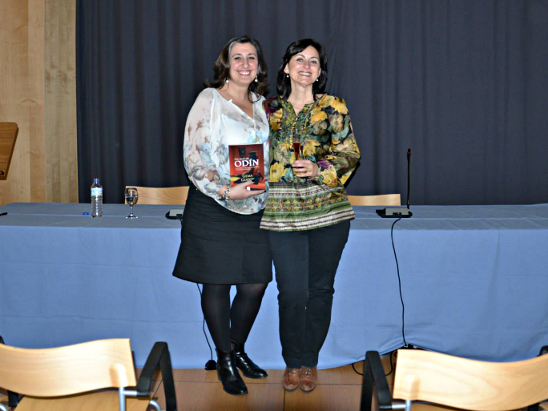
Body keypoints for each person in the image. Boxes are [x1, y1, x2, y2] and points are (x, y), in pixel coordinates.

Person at [260, 39, 361, 393]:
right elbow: (249, 153)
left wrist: (320, 168)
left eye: (313, 61)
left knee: (320, 290)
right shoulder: (266, 109)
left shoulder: (333, 106)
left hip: (328, 213)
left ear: (319, 72)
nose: (306, 66)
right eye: (299, 59)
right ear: (286, 68)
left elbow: (350, 154)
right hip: (280, 214)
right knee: (291, 293)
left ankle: (309, 363)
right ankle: (291, 360)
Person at [173, 35, 271, 396]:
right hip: (214, 205)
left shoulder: (262, 105)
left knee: (255, 284)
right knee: (217, 283)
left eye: (251, 57)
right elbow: (193, 156)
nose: (245, 64)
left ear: (259, 66)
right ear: (226, 64)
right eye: (237, 57)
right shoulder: (209, 99)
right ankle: (225, 359)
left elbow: (267, 155)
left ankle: (237, 348)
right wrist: (225, 190)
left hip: (255, 207)